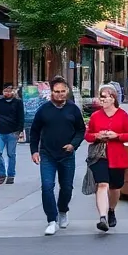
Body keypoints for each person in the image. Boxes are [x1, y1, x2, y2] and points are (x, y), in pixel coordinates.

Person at [30, 76, 86, 236]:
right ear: (51, 92)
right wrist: (34, 151)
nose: (60, 94)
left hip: (67, 154)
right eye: (57, 92)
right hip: (47, 154)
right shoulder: (44, 110)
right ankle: (51, 220)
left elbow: (81, 130)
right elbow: (34, 131)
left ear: (67, 91)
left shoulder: (73, 109)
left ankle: (63, 210)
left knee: (66, 187)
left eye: (63, 91)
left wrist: (73, 145)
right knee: (47, 186)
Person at [85, 84, 128, 232]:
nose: (103, 99)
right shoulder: (95, 116)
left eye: (106, 96)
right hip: (99, 155)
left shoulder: (122, 115)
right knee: (102, 184)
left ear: (113, 98)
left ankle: (111, 210)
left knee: (115, 187)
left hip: (117, 156)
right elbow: (87, 135)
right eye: (101, 96)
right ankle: (102, 217)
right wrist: (96, 136)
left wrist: (117, 136)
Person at [0, 82, 24, 185]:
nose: (7, 93)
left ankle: (11, 175)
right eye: (5, 91)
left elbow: (21, 117)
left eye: (9, 91)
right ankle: (1, 174)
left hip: (12, 132)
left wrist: (19, 131)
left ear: (13, 91)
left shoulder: (18, 103)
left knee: (11, 154)